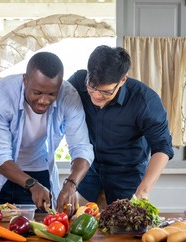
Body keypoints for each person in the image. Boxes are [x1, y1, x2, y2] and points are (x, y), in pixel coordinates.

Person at [0, 51, 94, 216]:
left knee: (41, 227)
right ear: (25, 80)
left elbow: (81, 147)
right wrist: (32, 185)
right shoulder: (0, 95)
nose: (44, 100)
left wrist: (71, 185)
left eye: (51, 94)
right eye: (37, 93)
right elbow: (0, 156)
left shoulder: (69, 96)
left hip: (38, 167)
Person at [68, 45, 174, 206]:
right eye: (92, 87)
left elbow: (162, 147)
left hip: (127, 184)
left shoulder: (145, 101)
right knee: (77, 228)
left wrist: (142, 193)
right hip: (88, 181)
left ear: (122, 80)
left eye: (105, 92)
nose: (96, 95)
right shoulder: (77, 83)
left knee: (124, 231)